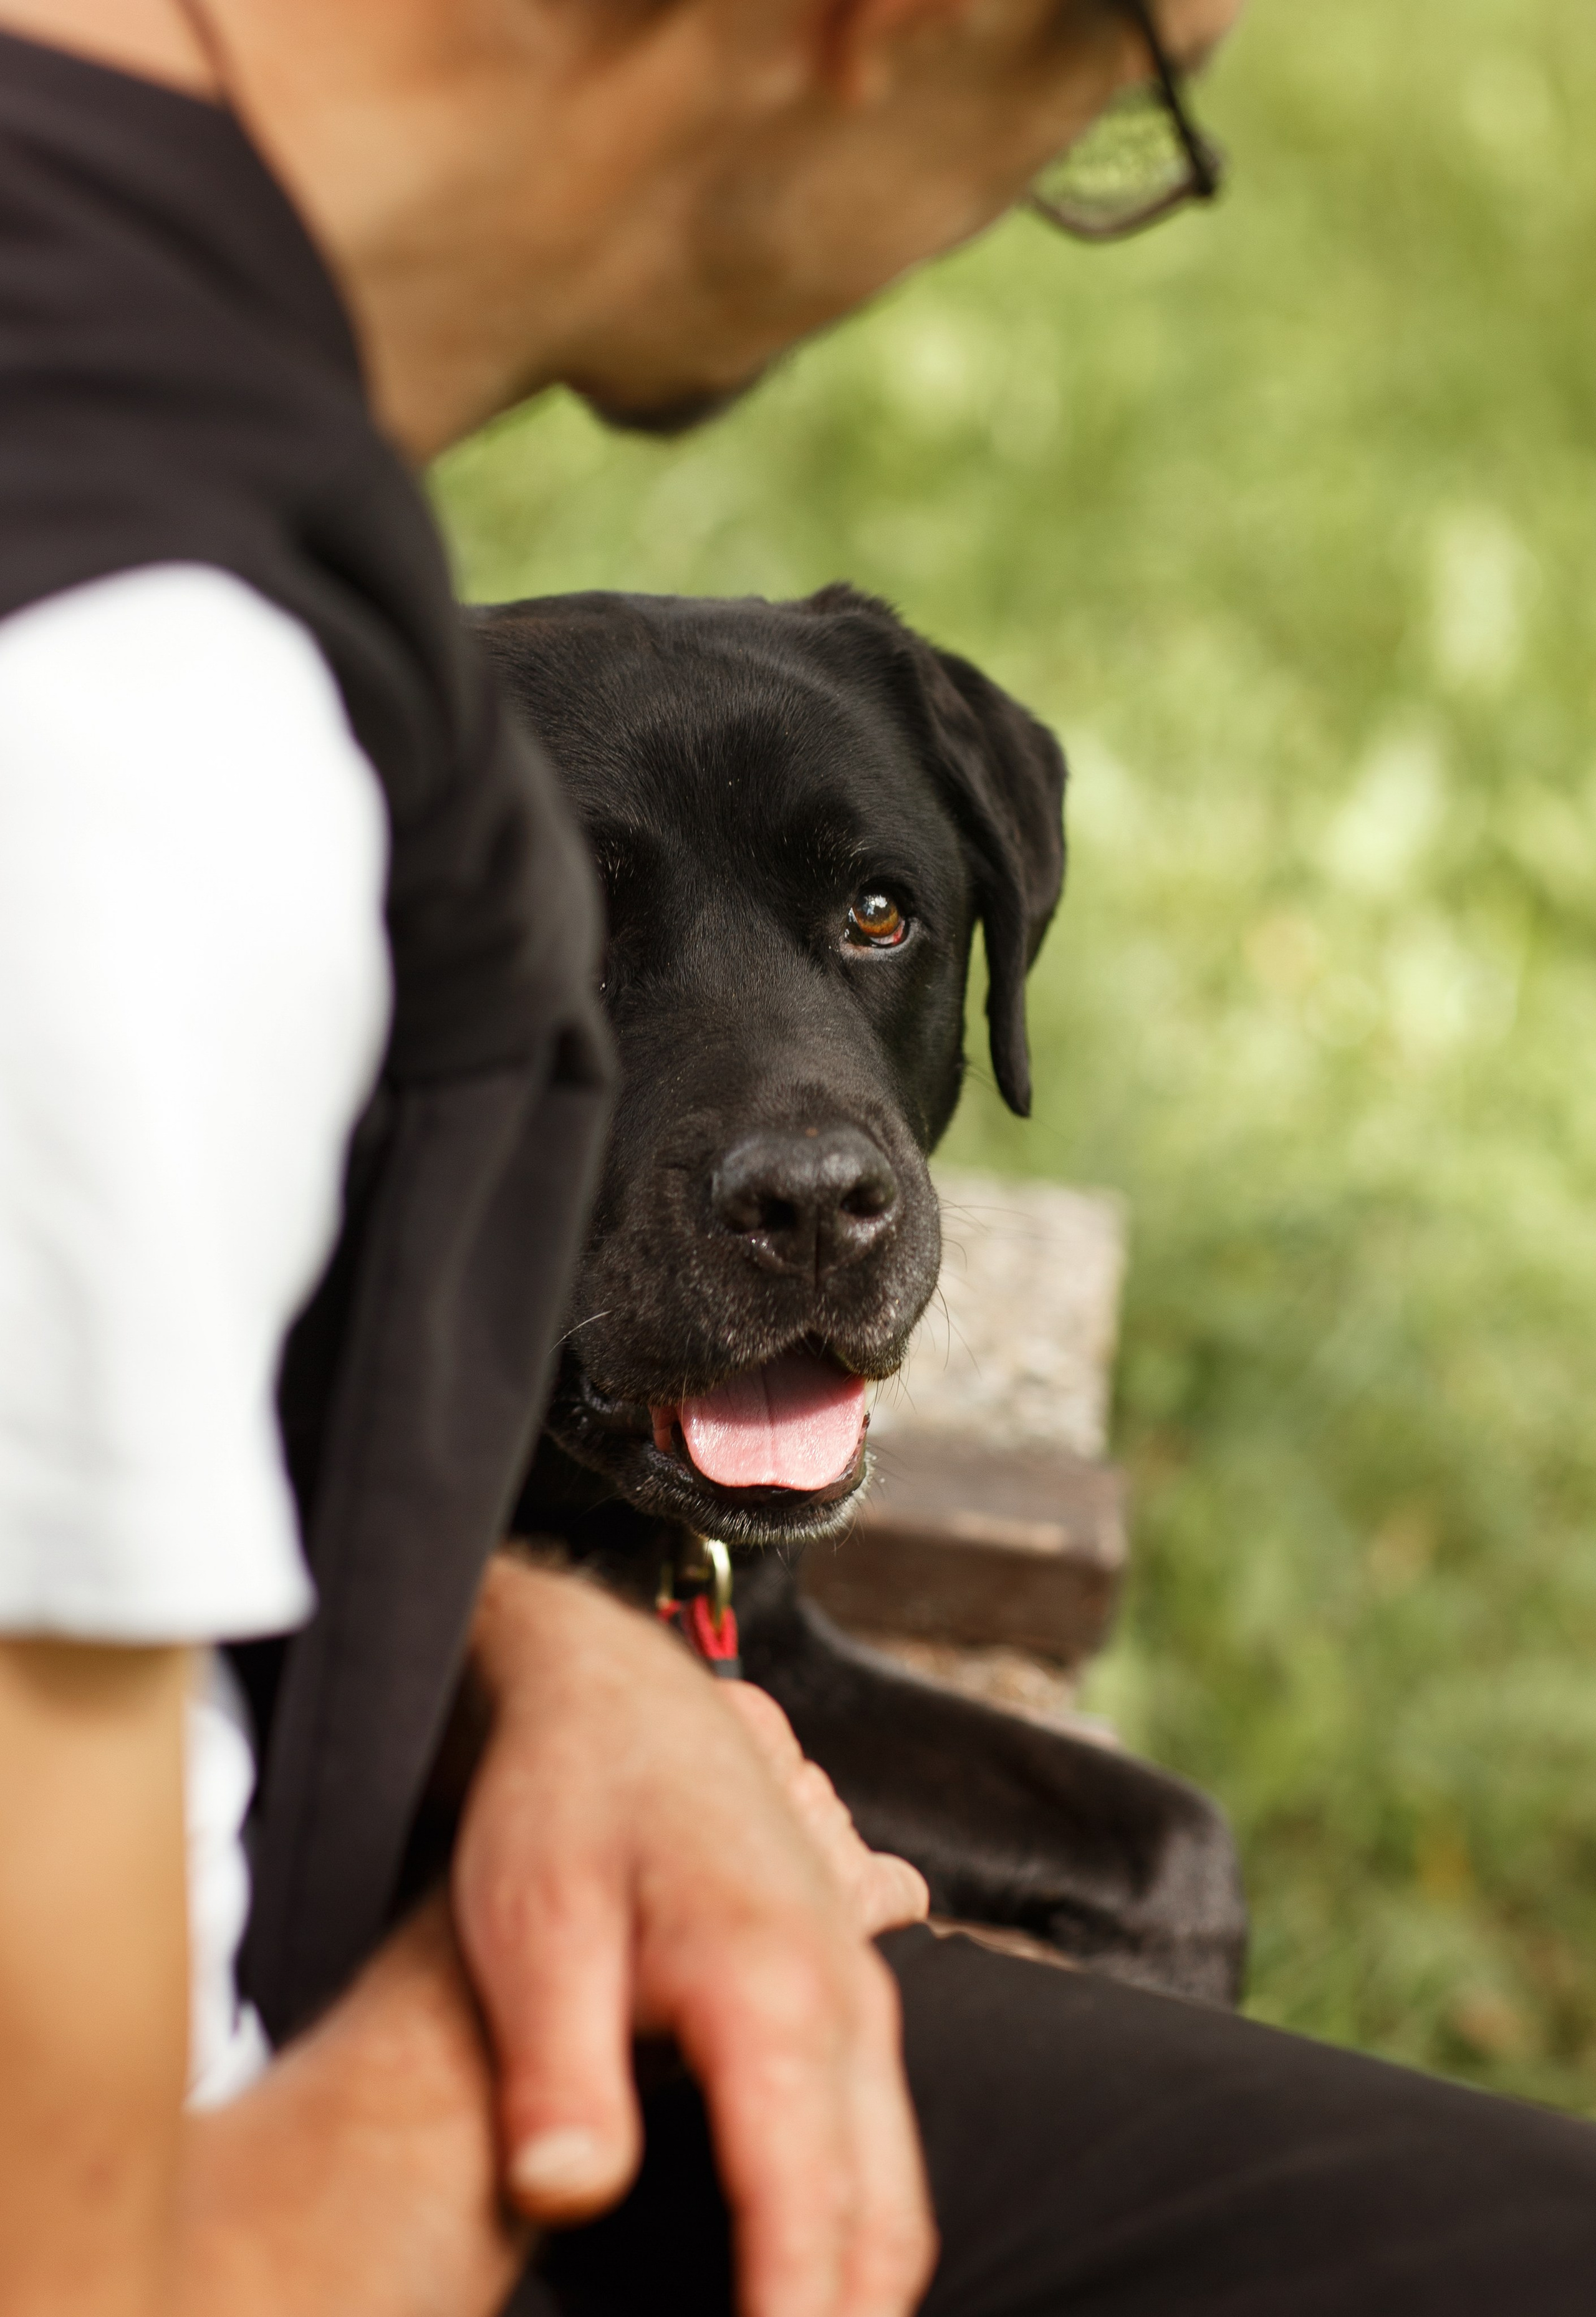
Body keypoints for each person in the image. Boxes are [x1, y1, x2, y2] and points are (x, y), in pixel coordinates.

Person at [0, 4, 1592, 2316]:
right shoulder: (141, 716)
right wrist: (508, 1998)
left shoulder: (176, 486)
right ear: (881, 26)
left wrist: (559, 1676)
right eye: (1122, 118)